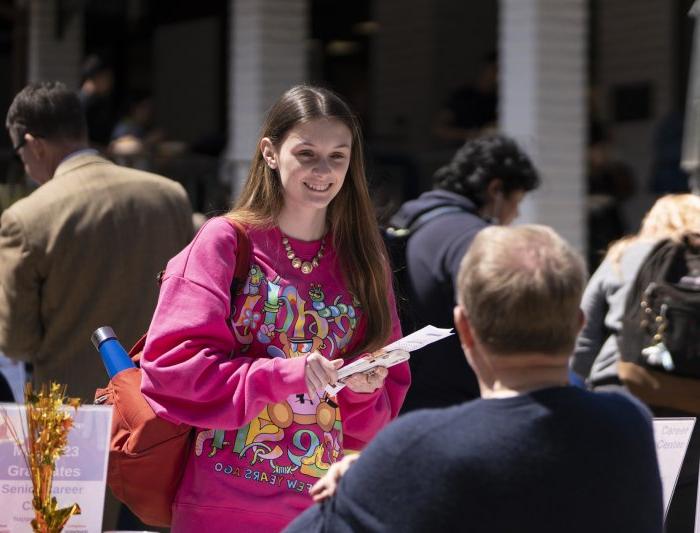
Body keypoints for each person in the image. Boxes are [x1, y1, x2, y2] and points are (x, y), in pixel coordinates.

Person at [139, 85, 411, 532]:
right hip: (222, 509)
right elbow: (172, 372)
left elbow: (378, 418)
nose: (323, 171)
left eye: (338, 156)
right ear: (270, 152)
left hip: (322, 514)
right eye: (306, 154)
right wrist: (288, 374)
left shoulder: (364, 257)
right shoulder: (225, 241)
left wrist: (360, 391)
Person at [284, 224, 663, 533]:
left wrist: (358, 485)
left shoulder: (414, 447)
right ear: (578, 326)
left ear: (465, 328)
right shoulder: (629, 424)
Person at [0, 81, 194, 402]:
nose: (23, 164)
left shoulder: (26, 219)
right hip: (160, 409)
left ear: (34, 145)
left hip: (68, 414)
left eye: (19, 153)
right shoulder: (169, 196)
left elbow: (17, 341)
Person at [571, 193, 700, 533]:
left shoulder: (624, 254)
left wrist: (580, 383)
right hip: (689, 399)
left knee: (617, 501)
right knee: (681, 500)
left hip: (619, 391)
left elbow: (583, 334)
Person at [392, 134, 540, 413]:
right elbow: (497, 327)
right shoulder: (475, 239)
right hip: (458, 408)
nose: (516, 214)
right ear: (496, 190)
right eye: (516, 202)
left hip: (401, 405)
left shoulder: (408, 222)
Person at [433, 52, 498, 145]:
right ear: (484, 68)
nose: (498, 76)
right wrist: (472, 134)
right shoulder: (463, 96)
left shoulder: (501, 101)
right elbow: (439, 129)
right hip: (459, 153)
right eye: (495, 70)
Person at [78, 55, 116, 147]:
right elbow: (77, 140)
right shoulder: (81, 103)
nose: (111, 81)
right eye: (108, 76)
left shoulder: (100, 100)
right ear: (98, 76)